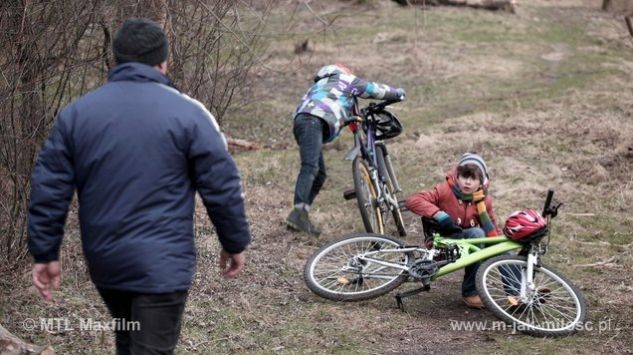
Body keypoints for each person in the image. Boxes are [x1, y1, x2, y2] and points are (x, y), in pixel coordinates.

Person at [28, 18, 251, 354]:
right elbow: (222, 186)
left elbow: (49, 187)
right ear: (163, 62)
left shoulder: (78, 114)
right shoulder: (188, 114)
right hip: (162, 268)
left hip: (107, 265)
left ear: (117, 59)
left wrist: (45, 252)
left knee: (129, 341)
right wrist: (234, 242)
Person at [286, 63, 406, 236]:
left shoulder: (319, 86)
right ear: (342, 70)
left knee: (319, 174)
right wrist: (397, 93)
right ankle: (297, 213)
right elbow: (373, 89)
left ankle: (300, 216)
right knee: (310, 167)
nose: (352, 73)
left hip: (304, 122)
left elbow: (346, 114)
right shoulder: (343, 79)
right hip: (313, 121)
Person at [405, 153, 499, 309]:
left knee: (498, 246)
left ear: (481, 182)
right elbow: (412, 201)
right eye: (464, 176)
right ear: (457, 175)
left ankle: (519, 292)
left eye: (473, 178)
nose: (467, 182)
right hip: (443, 243)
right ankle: (470, 293)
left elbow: (493, 231)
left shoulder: (484, 201)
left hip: (465, 242)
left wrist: (502, 244)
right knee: (477, 235)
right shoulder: (445, 191)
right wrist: (439, 215)